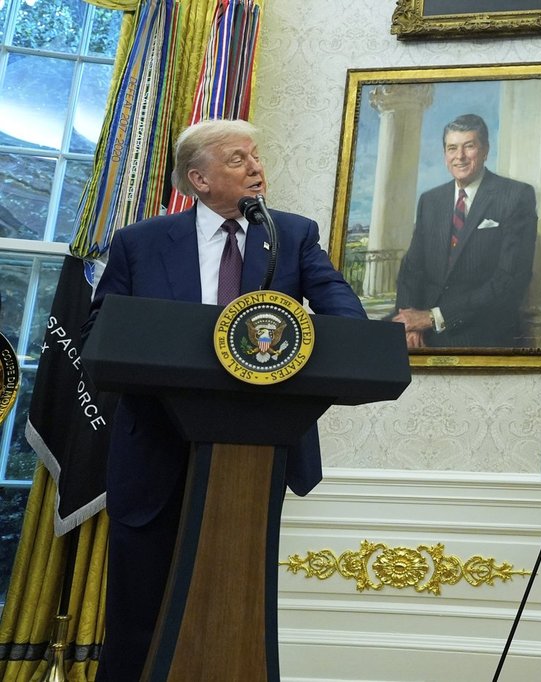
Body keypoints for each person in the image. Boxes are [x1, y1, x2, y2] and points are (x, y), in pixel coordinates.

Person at [84, 118, 366, 682]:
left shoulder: (294, 235)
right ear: (200, 179)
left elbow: (347, 323)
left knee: (235, 602)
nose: (256, 167)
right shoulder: (141, 243)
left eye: (256, 156)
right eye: (238, 159)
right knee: (141, 608)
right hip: (157, 449)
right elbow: (101, 332)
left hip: (255, 454)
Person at [392, 113, 538, 348]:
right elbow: (412, 268)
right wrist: (409, 320)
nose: (459, 157)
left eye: (468, 146)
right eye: (452, 148)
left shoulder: (515, 196)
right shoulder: (431, 200)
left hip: (482, 330)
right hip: (421, 330)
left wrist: (432, 318)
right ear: (444, 155)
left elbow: (509, 281)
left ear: (485, 150)